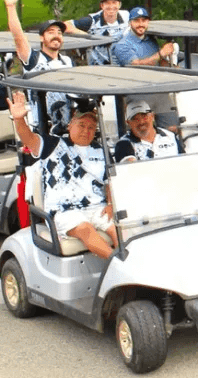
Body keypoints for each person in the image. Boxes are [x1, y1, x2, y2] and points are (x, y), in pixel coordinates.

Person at [6, 93, 116, 258]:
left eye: (91, 127)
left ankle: (134, 262)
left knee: (120, 229)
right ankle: (119, 264)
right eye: (82, 125)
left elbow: (110, 181)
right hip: (65, 211)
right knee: (86, 230)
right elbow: (29, 139)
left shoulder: (102, 151)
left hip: (97, 207)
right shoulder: (54, 145)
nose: (86, 131)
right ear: (71, 125)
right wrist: (19, 120)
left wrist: (110, 203)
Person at [4, 0, 75, 128]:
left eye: (59, 32)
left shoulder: (67, 61)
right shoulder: (33, 58)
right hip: (42, 126)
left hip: (67, 125)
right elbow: (18, 36)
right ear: (42, 38)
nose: (56, 36)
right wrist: (11, 7)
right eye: (50, 32)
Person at [65, 0, 129, 65]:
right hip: (98, 68)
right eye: (107, 3)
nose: (111, 6)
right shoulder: (92, 20)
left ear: (119, 5)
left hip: (122, 66)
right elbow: (65, 25)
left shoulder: (127, 16)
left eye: (114, 2)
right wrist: (87, 36)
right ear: (102, 6)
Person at [113, 100, 181, 162]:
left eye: (144, 116)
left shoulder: (171, 136)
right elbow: (131, 170)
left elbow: (185, 162)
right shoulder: (123, 144)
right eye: (135, 119)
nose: (141, 122)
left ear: (152, 116)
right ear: (128, 123)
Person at [112, 7, 176, 67]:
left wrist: (173, 66)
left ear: (148, 22)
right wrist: (161, 54)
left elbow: (160, 62)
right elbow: (136, 66)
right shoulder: (122, 45)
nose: (141, 24)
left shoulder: (151, 39)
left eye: (144, 20)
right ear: (130, 23)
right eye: (136, 21)